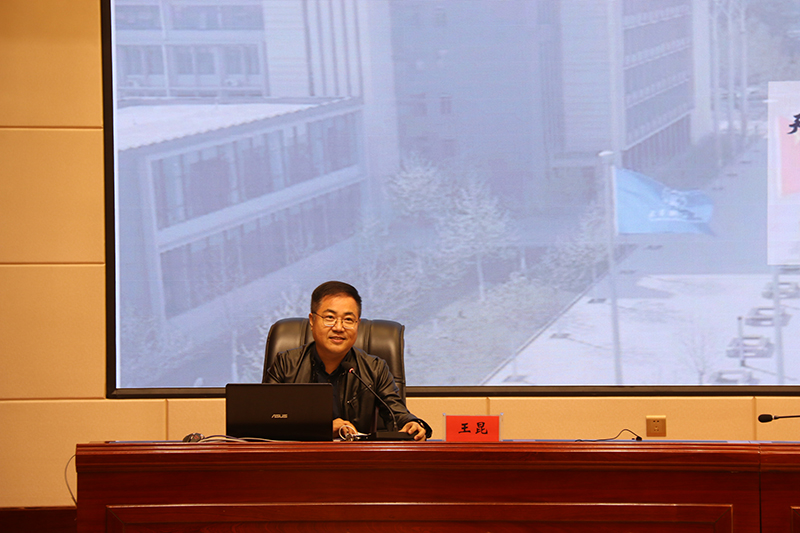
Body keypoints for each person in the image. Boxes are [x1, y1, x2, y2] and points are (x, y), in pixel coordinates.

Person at [264, 281, 431, 441]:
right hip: (299, 457)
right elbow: (265, 422)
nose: (338, 327)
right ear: (312, 321)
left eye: (348, 320)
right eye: (330, 317)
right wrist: (322, 428)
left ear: (358, 324)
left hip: (356, 458)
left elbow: (397, 414)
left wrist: (411, 424)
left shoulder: (375, 369)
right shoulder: (286, 364)